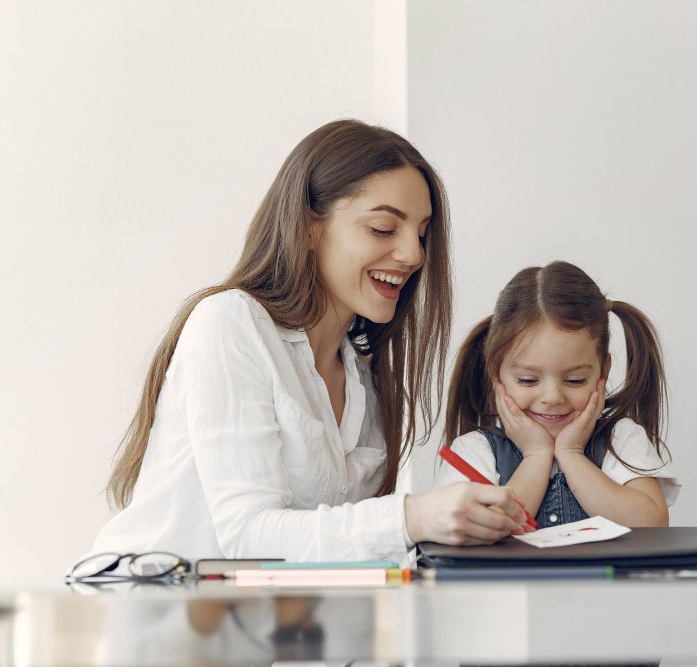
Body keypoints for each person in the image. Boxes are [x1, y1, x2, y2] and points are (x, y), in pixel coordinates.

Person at [87, 119, 533, 567]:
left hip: (257, 625)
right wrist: (412, 517)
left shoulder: (363, 376)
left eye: (421, 234)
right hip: (153, 615)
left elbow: (333, 547)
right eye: (383, 228)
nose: (414, 255)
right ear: (307, 228)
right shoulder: (232, 323)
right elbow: (247, 534)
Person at [436, 261, 680, 528]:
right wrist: (536, 455)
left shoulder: (620, 439)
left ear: (603, 372)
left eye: (575, 380)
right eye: (528, 380)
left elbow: (652, 525)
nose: (552, 397)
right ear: (496, 374)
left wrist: (572, 454)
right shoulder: (474, 451)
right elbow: (479, 530)